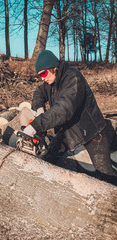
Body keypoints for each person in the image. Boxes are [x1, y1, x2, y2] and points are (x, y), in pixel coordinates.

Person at [22, 49, 117, 183]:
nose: (43, 78)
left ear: (54, 67)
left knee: (105, 173)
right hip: (68, 129)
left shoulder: (73, 78)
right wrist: (39, 110)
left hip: (92, 132)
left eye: (43, 73)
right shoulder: (51, 82)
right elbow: (39, 93)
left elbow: (64, 110)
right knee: (49, 157)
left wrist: (36, 125)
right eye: (39, 76)